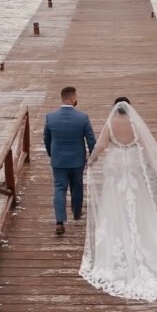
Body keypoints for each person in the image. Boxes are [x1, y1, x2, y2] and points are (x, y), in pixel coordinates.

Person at [79, 97, 157, 301]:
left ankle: (119, 237)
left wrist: (91, 160)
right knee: (138, 202)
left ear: (114, 109)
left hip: (117, 166)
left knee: (115, 202)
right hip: (134, 166)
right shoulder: (136, 124)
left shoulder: (111, 124)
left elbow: (101, 145)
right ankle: (143, 237)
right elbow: (147, 147)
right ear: (130, 109)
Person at [43, 86, 96, 235]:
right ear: (73, 99)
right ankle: (77, 213)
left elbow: (46, 138)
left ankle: (59, 221)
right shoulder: (83, 117)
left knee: (59, 188)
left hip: (58, 160)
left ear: (62, 98)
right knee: (77, 186)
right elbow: (91, 139)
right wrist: (93, 155)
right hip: (77, 160)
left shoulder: (50, 117)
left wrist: (51, 154)